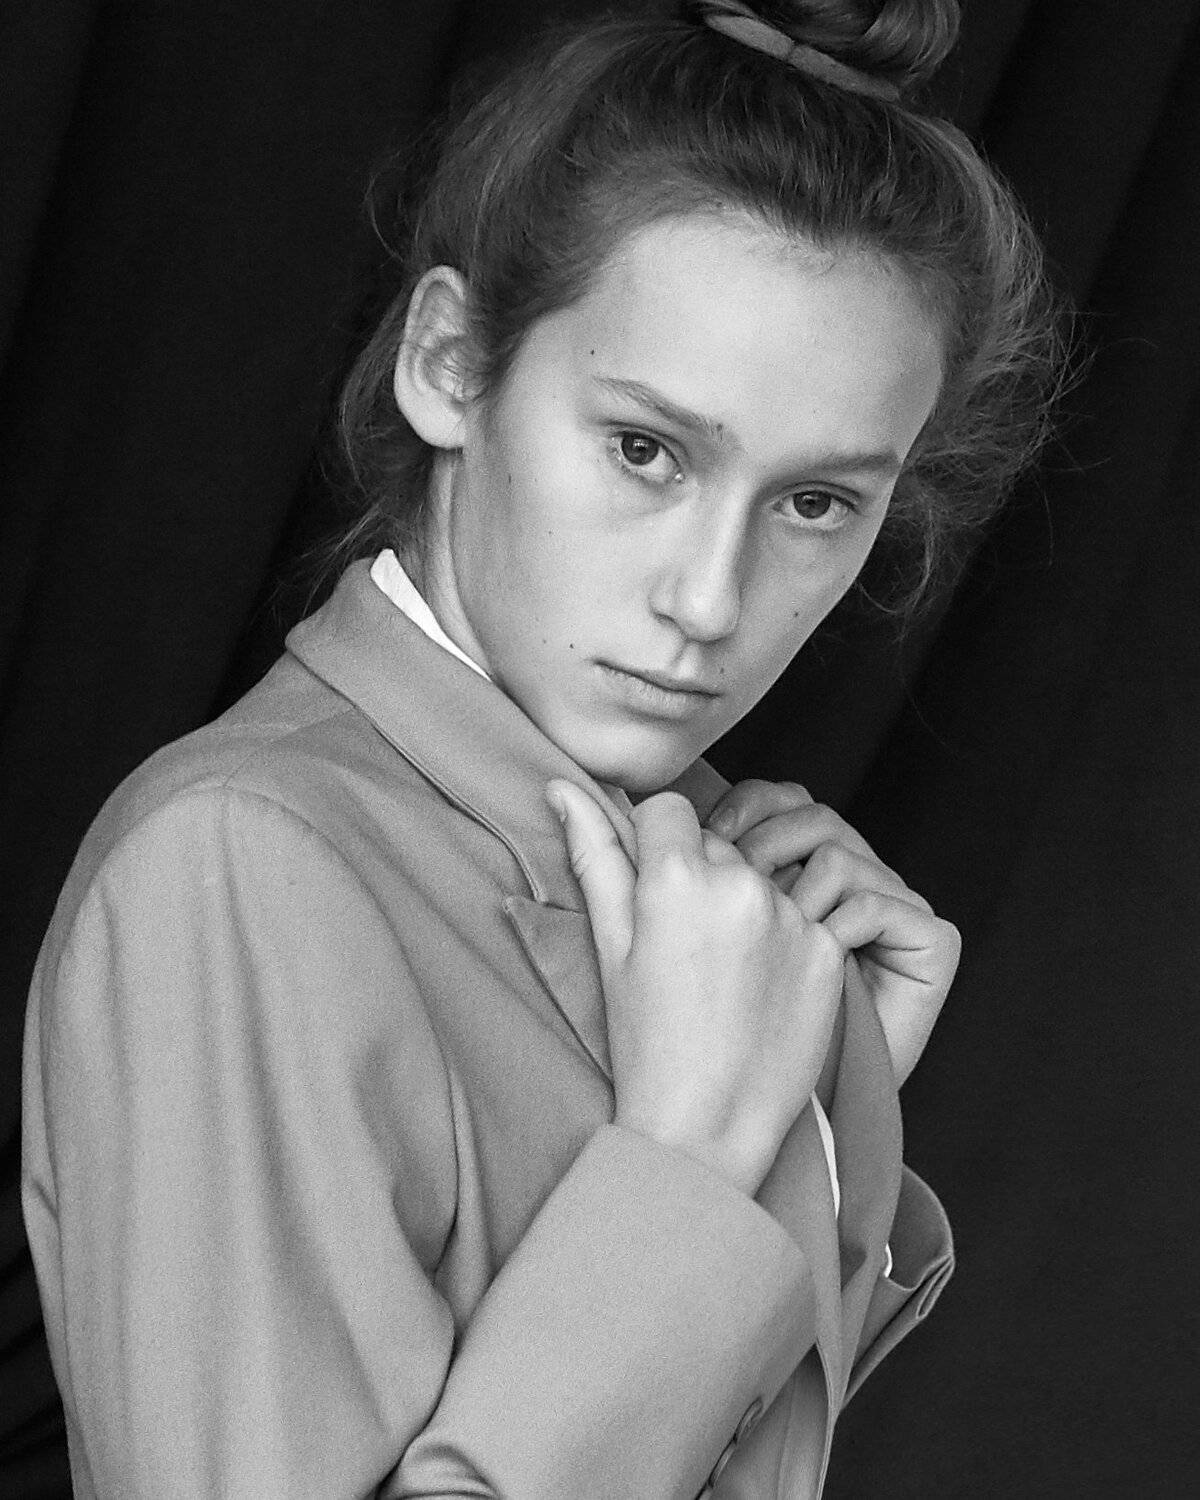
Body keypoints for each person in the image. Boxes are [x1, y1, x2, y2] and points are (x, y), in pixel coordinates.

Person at [21, 1, 1061, 1496]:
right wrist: (699, 1163)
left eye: (816, 503)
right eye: (647, 450)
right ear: (451, 361)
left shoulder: (709, 896)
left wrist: (829, 1126)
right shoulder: (241, 865)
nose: (708, 601)